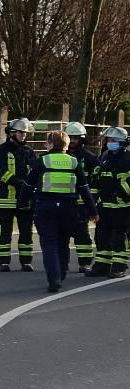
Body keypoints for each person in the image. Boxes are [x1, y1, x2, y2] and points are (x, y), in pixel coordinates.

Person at [27, 131, 97, 292]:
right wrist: (93, 211)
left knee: (49, 244)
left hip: (46, 206)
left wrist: (23, 204)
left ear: (51, 144)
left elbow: (28, 185)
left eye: (47, 143)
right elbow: (84, 188)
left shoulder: (43, 160)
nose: (45, 145)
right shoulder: (73, 161)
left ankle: (54, 278)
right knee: (63, 241)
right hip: (68, 208)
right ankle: (62, 272)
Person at [0, 118, 38, 272]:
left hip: (25, 200)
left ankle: (26, 261)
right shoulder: (1, 150)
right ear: (12, 133)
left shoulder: (29, 152)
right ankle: (3, 261)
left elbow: (36, 172)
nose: (24, 135)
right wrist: (19, 183)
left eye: (25, 133)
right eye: (20, 132)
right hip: (7, 200)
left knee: (26, 231)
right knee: (5, 231)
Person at [88, 126, 130, 278]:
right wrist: (93, 200)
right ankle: (102, 265)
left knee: (118, 237)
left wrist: (122, 193)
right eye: (108, 140)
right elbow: (96, 178)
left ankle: (119, 266)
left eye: (113, 140)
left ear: (122, 142)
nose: (110, 142)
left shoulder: (128, 158)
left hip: (122, 206)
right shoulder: (104, 156)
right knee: (101, 236)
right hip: (104, 205)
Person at [66, 122, 99, 272]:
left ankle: (84, 263)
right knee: (62, 235)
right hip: (64, 203)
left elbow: (95, 182)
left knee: (82, 235)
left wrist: (92, 206)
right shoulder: (61, 156)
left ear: (82, 139)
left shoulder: (90, 158)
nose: (73, 141)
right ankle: (62, 263)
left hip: (82, 205)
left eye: (76, 138)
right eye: (70, 137)